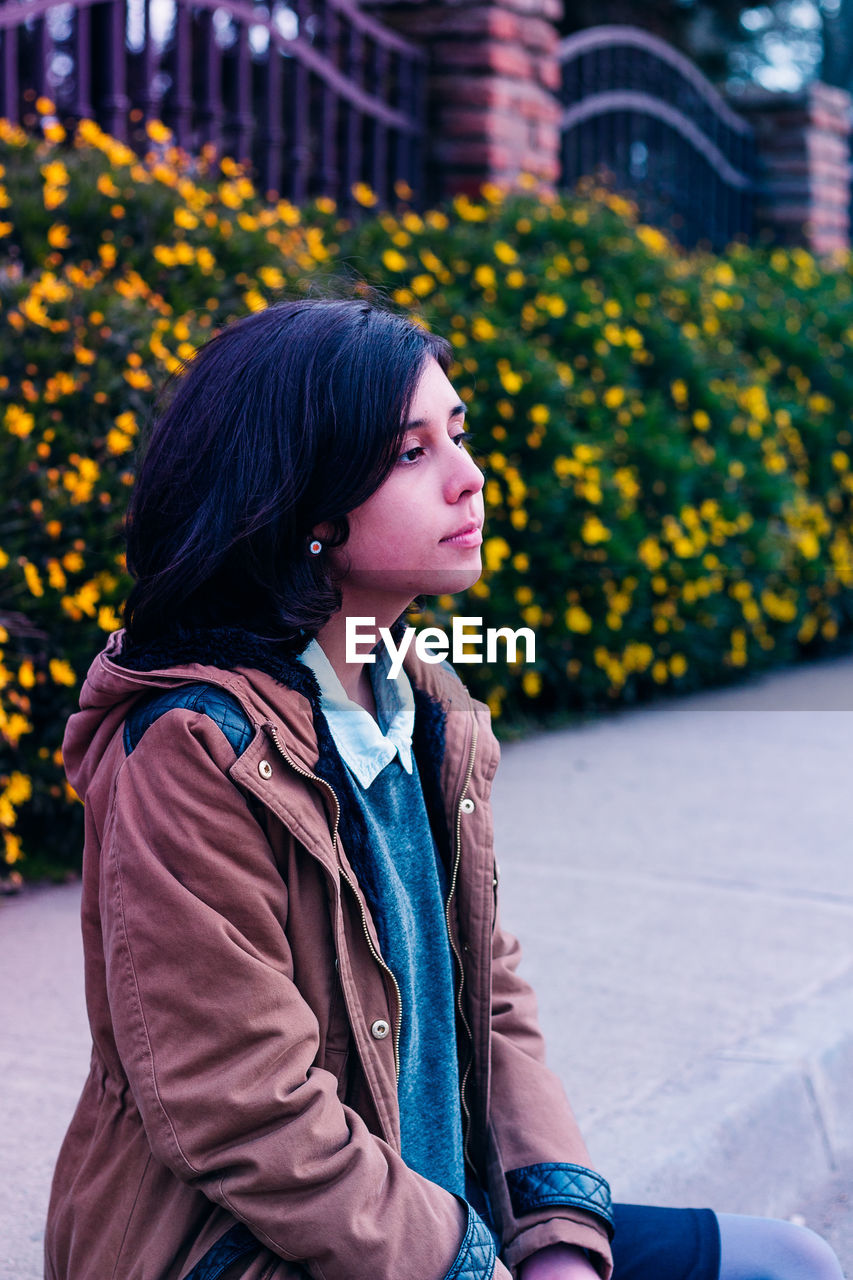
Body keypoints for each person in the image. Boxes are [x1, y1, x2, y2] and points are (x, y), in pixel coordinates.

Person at [45, 299, 845, 1280]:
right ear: (305, 502)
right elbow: (243, 1107)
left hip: (437, 1204)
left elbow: (491, 992)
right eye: (413, 453)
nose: (470, 479)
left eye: (456, 437)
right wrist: (469, 1264)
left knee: (788, 1261)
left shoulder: (427, 702)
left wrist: (555, 1231)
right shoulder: (194, 748)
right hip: (242, 1243)